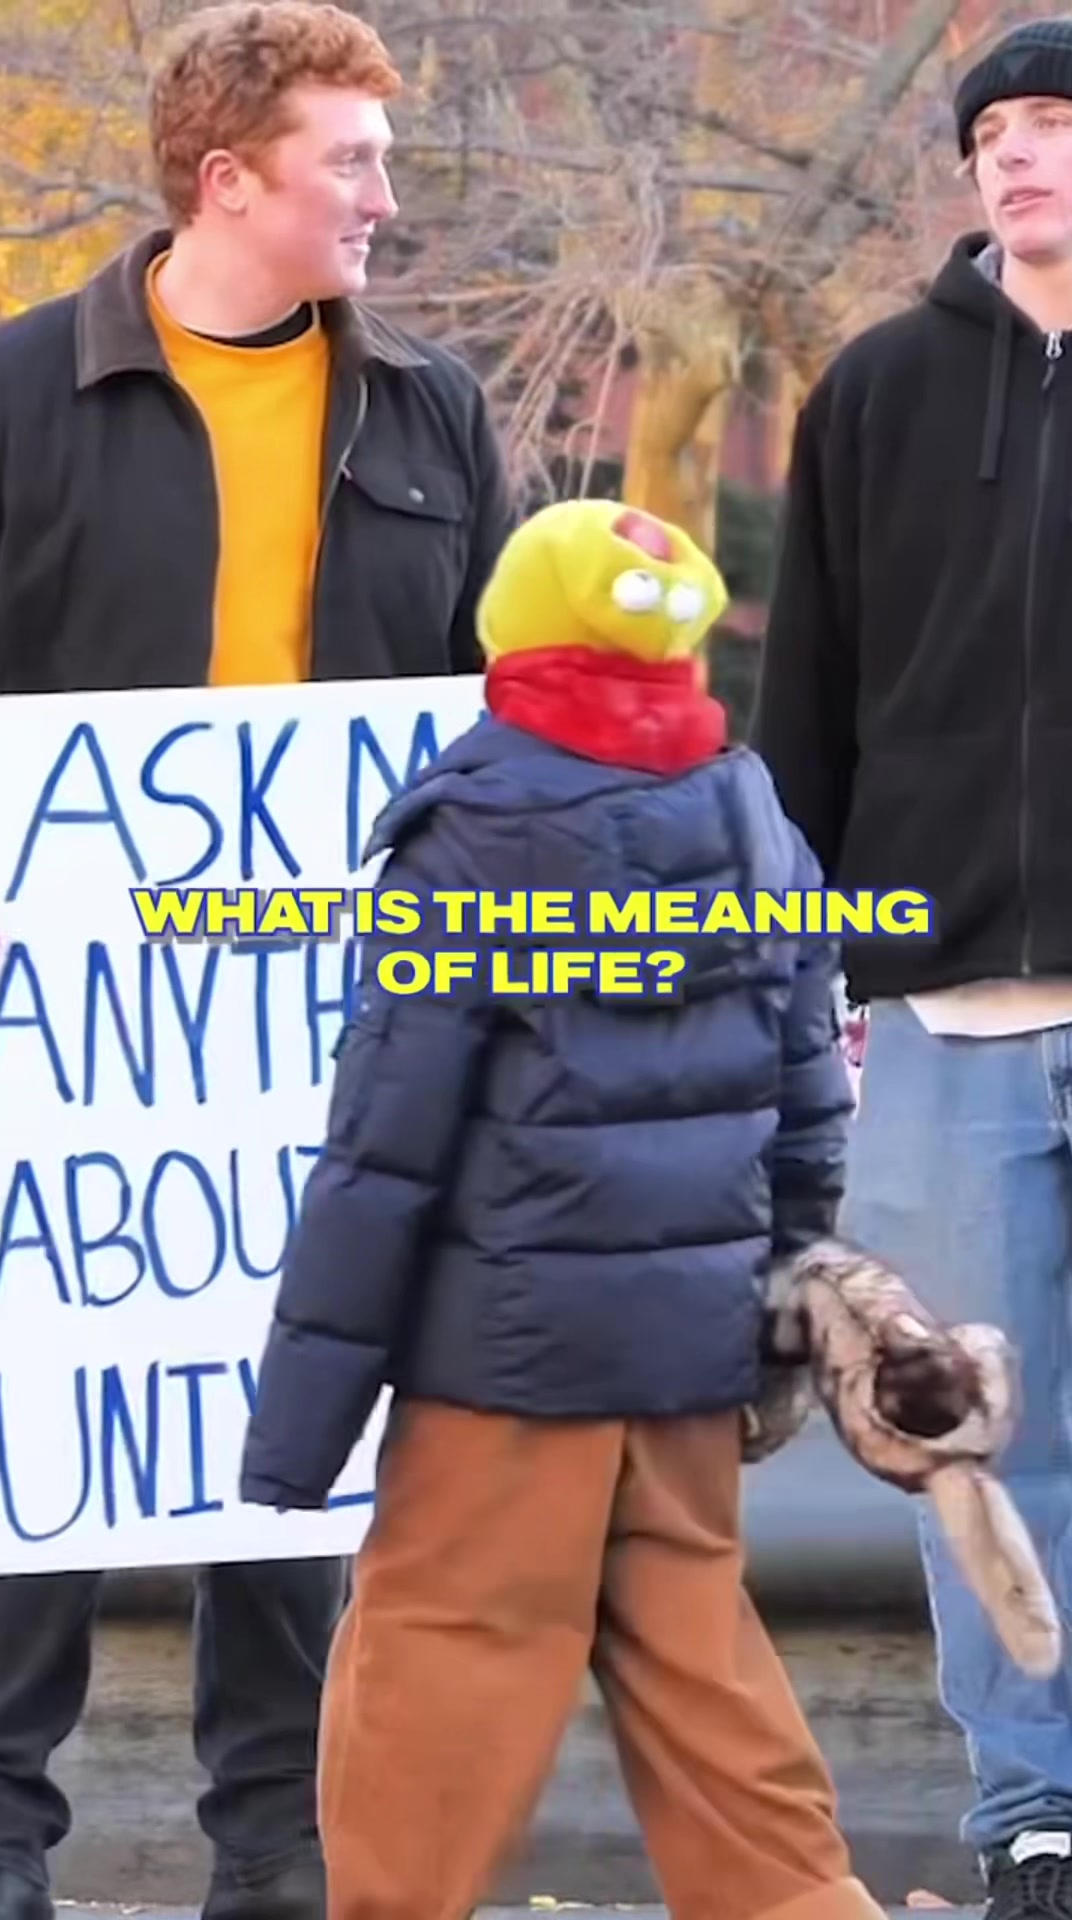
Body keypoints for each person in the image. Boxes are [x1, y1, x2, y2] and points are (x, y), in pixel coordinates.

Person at [0, 5, 512, 1918]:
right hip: (56, 1028)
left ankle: (283, 1854)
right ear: (228, 179)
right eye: (350, 160)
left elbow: (499, 703)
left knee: (297, 1427)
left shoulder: (432, 410)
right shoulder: (17, 392)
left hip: (337, 1018)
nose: (387, 195)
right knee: (46, 1415)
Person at [238, 496, 888, 1920]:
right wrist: (777, 1322)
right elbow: (809, 1116)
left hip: (504, 1367)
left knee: (439, 1669)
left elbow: (384, 1155)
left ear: (517, 631)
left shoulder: (471, 831)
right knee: (703, 1674)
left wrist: (297, 1433)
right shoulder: (758, 823)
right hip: (688, 1360)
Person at [750, 17, 1072, 1918]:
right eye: (994, 130)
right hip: (943, 1020)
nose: (1015, 153)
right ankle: (1037, 1813)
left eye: (1052, 123)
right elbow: (807, 703)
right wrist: (804, 974)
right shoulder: (875, 391)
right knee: (974, 1437)